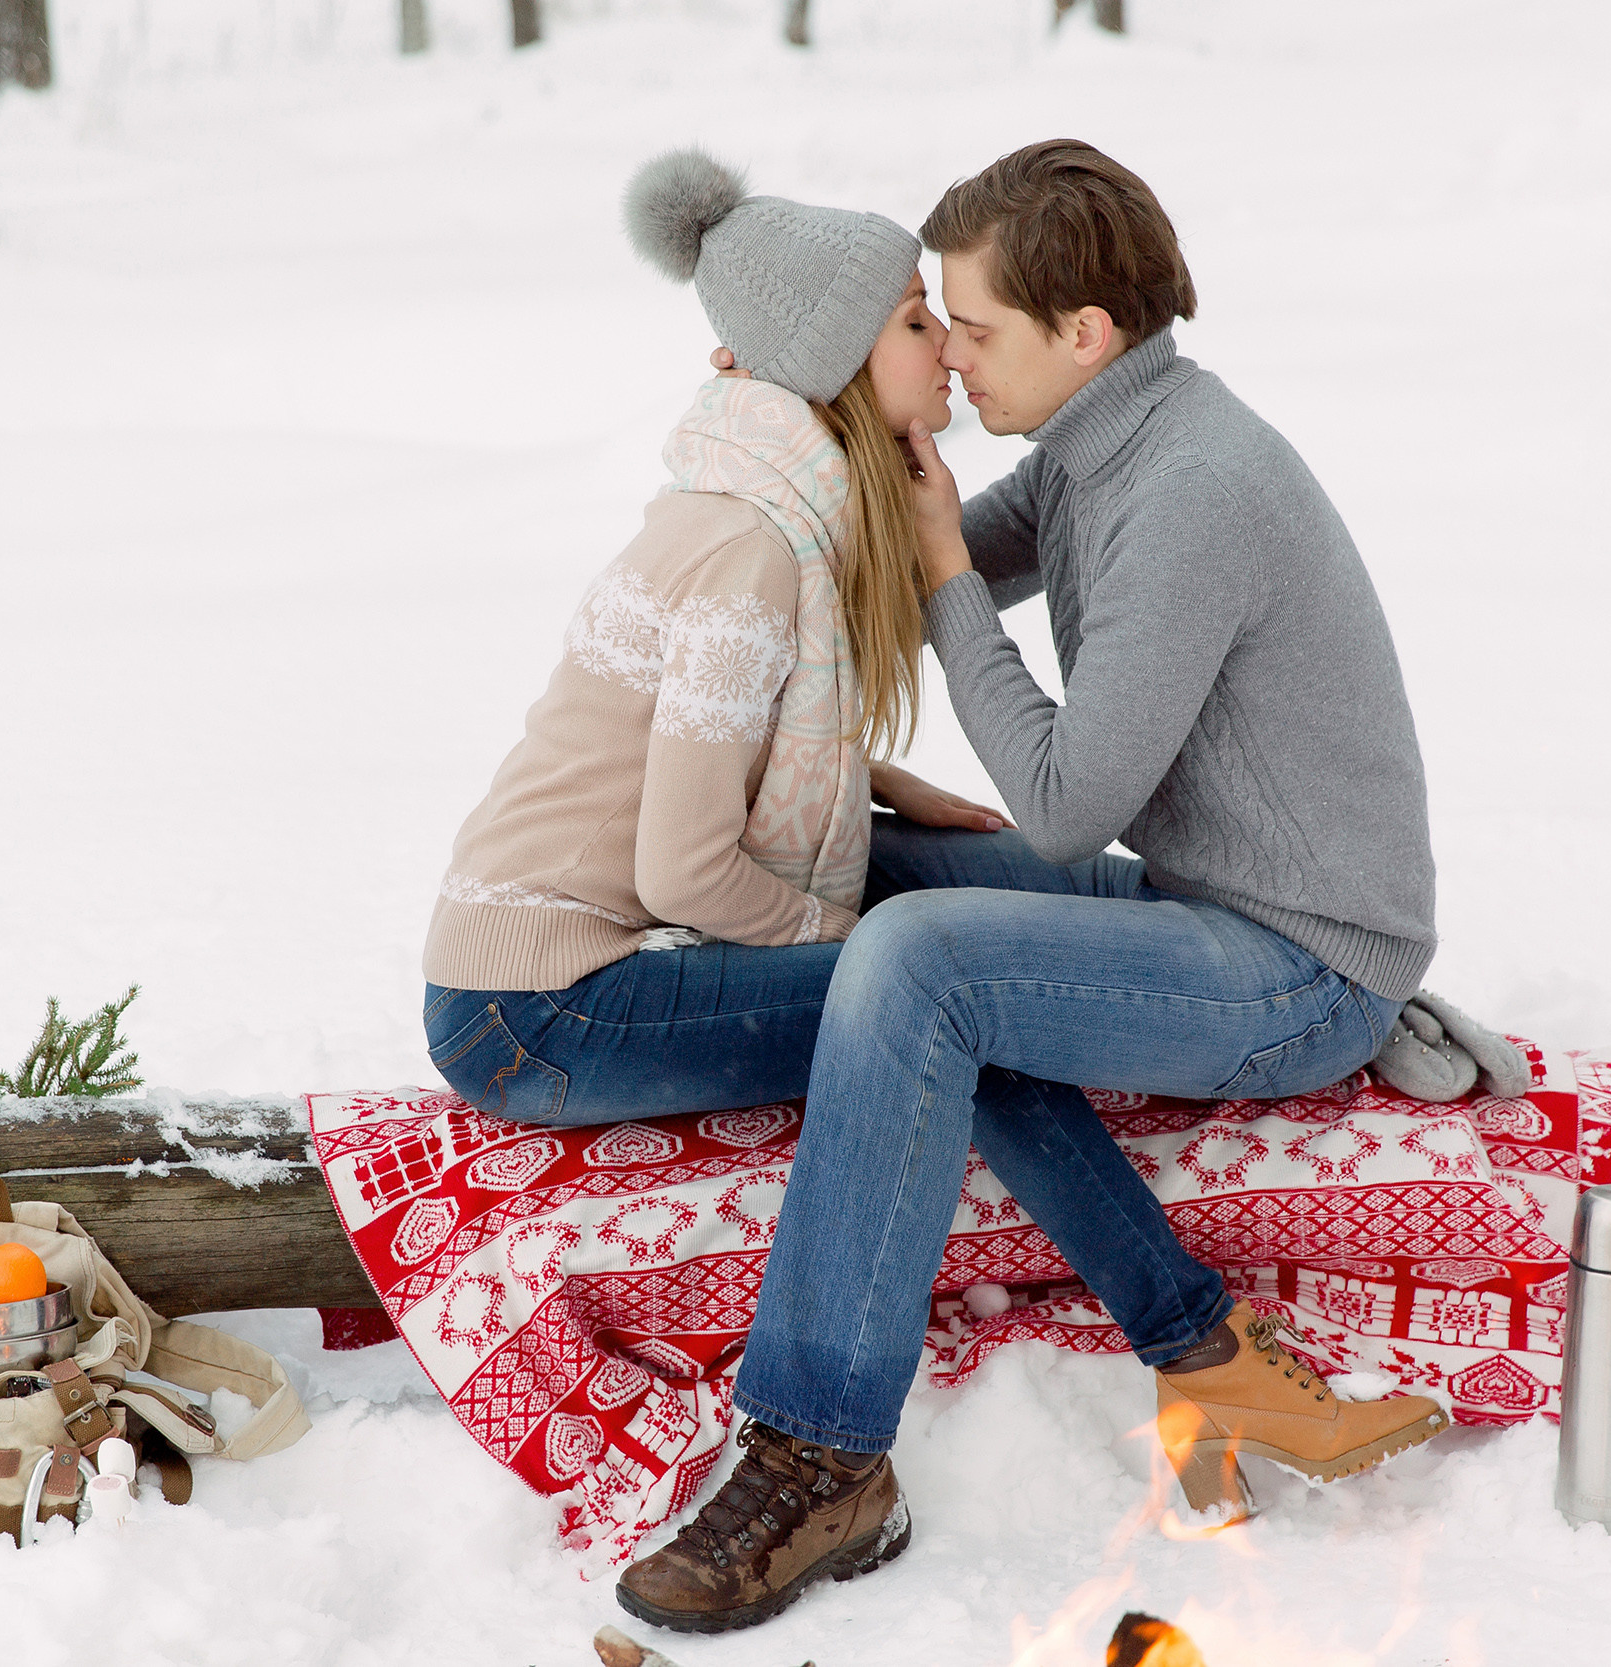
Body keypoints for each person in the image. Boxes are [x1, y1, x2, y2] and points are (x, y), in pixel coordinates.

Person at [618, 141, 1450, 1636]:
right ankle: (1195, 1340)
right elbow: (895, 554)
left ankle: (820, 1452)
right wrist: (782, 412)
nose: (950, 354)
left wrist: (940, 564)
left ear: (1088, 333)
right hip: (1210, 906)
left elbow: (1065, 812)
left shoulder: (1193, 487)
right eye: (928, 321)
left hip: (1299, 967)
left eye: (973, 327)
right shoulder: (1098, 448)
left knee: (923, 961)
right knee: (875, 873)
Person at [421, 149, 1009, 1128]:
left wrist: (875, 779)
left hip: (534, 987)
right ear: (835, 364)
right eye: (915, 319)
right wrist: (849, 938)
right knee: (949, 996)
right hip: (536, 1011)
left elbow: (704, 737)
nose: (947, 343)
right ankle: (1171, 1287)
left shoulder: (771, 509)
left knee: (961, 947)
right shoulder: (752, 547)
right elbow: (683, 872)